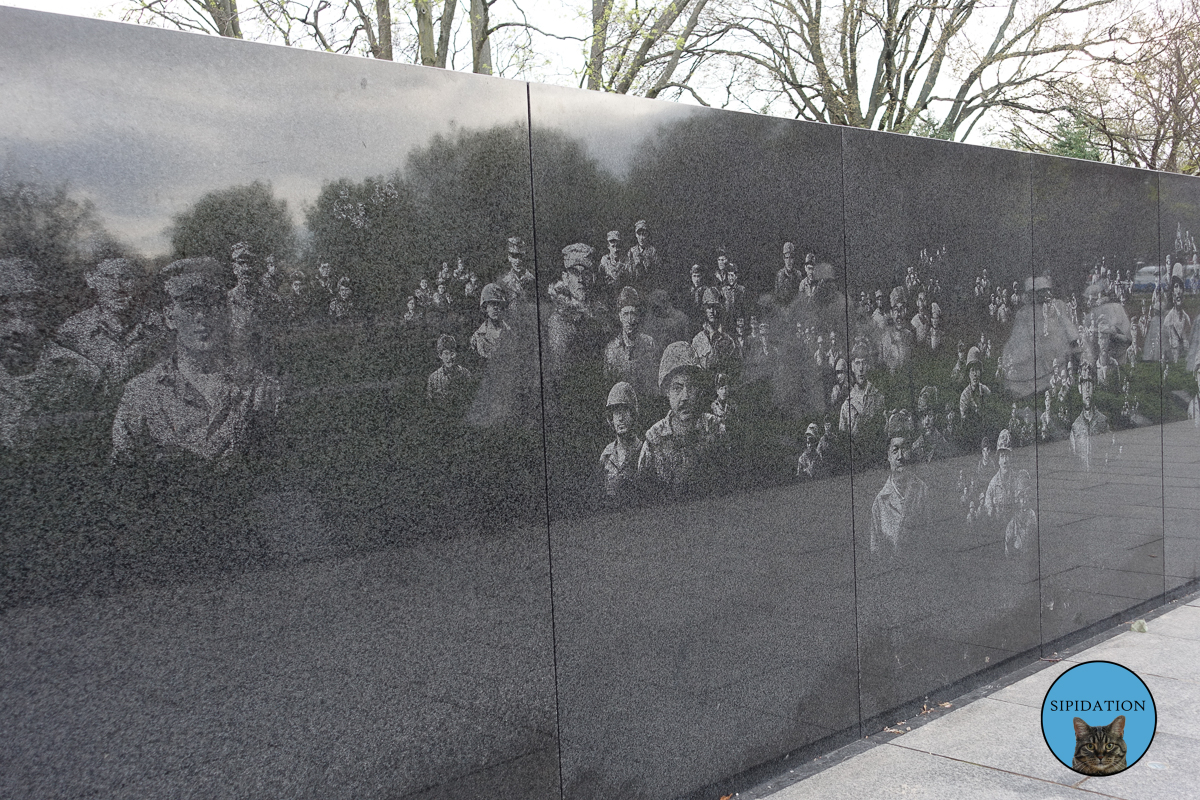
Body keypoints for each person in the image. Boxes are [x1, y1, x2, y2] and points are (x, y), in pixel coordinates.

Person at [111, 257, 278, 462]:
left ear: (226, 313)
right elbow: (123, 474)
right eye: (189, 306)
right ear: (169, 317)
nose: (201, 316)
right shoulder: (142, 393)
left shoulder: (258, 389)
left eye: (212, 304)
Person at [2, 258, 101, 449]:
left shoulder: (82, 373)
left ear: (45, 318)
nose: (16, 328)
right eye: (4, 316)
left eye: (28, 314)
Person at [56, 257, 159, 388]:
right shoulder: (72, 331)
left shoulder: (161, 326)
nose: (117, 287)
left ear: (140, 280)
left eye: (126, 277)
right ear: (91, 280)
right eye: (108, 277)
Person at [638, 341, 726, 489]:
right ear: (667, 392)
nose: (685, 396)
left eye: (691, 387)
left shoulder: (715, 429)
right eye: (677, 388)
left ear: (699, 390)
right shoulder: (654, 440)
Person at [870, 410, 929, 554]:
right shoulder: (880, 502)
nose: (900, 456)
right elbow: (875, 551)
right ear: (888, 455)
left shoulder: (922, 490)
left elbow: (931, 538)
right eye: (895, 450)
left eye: (905, 449)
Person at [603, 285, 658, 397]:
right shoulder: (611, 349)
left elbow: (654, 382)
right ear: (620, 317)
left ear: (638, 316)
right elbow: (607, 387)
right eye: (625, 314)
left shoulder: (649, 344)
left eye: (633, 313)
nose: (630, 320)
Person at [599, 381, 643, 500]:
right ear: (611, 419)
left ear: (633, 415)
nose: (620, 418)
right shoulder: (606, 455)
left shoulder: (644, 452)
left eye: (624, 411)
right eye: (616, 413)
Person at [1071, 362, 1109, 470]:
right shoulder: (1075, 426)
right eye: (1083, 383)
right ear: (1079, 388)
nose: (1087, 388)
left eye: (1090, 382)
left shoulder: (1103, 422)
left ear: (1094, 386)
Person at [839, 341, 883, 436]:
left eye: (864, 363)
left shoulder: (879, 398)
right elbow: (843, 441)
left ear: (869, 366)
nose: (861, 368)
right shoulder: (846, 405)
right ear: (852, 367)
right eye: (857, 363)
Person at [691, 287, 736, 372]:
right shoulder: (697, 340)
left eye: (715, 307)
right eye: (708, 307)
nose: (712, 311)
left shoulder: (728, 341)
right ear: (704, 310)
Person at [425, 333, 473, 409]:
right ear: (440, 355)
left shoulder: (465, 374)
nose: (449, 358)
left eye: (452, 353)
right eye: (446, 354)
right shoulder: (433, 378)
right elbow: (430, 405)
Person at [470, 283, 511, 360]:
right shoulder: (477, 336)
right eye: (491, 304)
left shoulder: (510, 332)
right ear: (486, 308)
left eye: (498, 304)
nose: (495, 307)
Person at [983, 429, 1018, 521]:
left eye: (1007, 456)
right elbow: (988, 506)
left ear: (1011, 458)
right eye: (1002, 456)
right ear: (998, 460)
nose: (1005, 461)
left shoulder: (1017, 481)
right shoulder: (993, 484)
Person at [910, 386, 951, 463]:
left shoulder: (944, 446)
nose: (926, 422)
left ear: (936, 417)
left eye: (930, 415)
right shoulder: (915, 447)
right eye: (923, 416)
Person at [498, 236, 534, 301]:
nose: (518, 261)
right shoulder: (503, 282)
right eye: (514, 256)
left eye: (521, 257)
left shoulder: (532, 280)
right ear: (509, 257)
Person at [625, 220, 660, 284]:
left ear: (648, 235)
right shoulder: (631, 251)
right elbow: (628, 271)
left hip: (649, 285)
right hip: (635, 284)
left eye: (644, 234)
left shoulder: (652, 251)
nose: (641, 238)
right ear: (636, 235)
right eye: (639, 234)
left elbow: (656, 272)